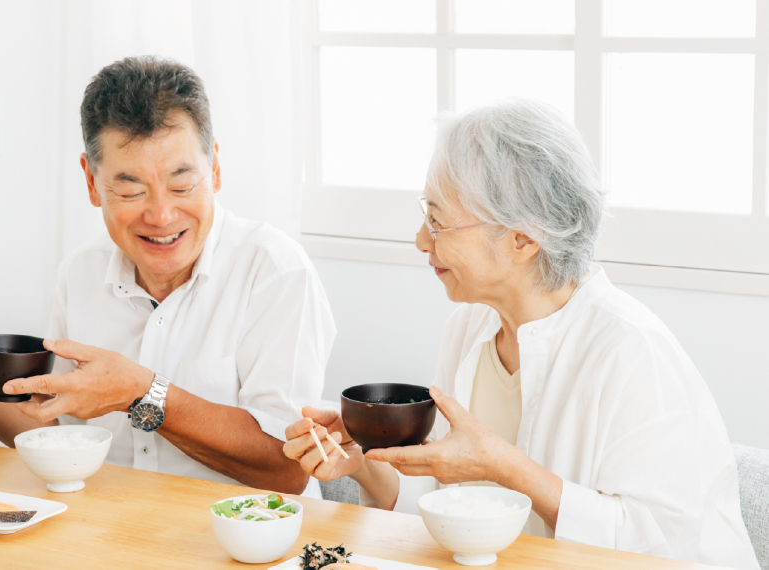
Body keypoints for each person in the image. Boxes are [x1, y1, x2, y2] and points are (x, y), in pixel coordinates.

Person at [283, 100, 759, 567]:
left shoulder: (632, 352)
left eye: (437, 220)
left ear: (523, 239)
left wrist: (505, 466)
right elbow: (447, 505)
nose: (420, 240)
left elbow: (659, 547)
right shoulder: (470, 327)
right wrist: (363, 459)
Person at [0, 56, 335, 495]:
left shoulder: (276, 271)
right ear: (92, 183)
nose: (161, 214)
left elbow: (287, 470)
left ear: (214, 168)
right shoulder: (80, 273)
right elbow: (52, 430)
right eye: (130, 188)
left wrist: (143, 394)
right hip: (106, 525)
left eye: (181, 184)